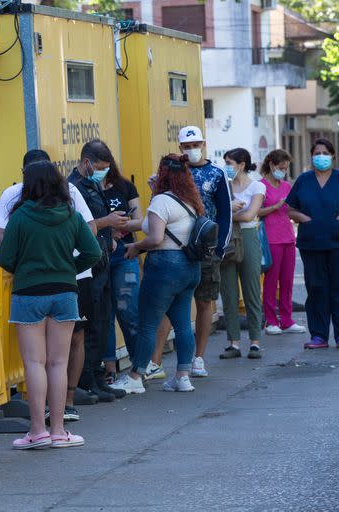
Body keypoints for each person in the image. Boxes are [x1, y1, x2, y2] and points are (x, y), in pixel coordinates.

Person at [0, 161, 101, 449]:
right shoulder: (70, 214)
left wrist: (26, 268)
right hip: (65, 292)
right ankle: (58, 431)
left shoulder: (19, 217)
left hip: (28, 293)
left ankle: (37, 431)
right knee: (58, 362)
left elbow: (6, 257)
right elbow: (93, 250)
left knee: (34, 362)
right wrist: (69, 267)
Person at [110, 154, 203, 394]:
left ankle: (135, 376)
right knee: (183, 324)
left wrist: (136, 247)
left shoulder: (162, 201)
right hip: (189, 268)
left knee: (147, 325)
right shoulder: (190, 200)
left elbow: (155, 237)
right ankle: (183, 376)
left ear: (163, 175)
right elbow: (149, 224)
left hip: (164, 268)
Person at [149, 126, 232, 378]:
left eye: (196, 144)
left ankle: (198, 358)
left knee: (204, 302)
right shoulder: (172, 172)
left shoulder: (217, 173)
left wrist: (219, 248)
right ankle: (154, 362)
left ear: (203, 143)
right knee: (167, 304)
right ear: (180, 147)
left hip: (205, 248)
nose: (192, 149)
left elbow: (226, 213)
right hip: (175, 249)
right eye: (187, 146)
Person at [68, 140, 130, 403]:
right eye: (101, 167)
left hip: (103, 259)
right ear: (86, 163)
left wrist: (111, 233)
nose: (104, 172)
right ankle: (86, 382)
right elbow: (81, 225)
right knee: (90, 326)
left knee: (103, 322)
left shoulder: (92, 184)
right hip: (87, 266)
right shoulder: (73, 188)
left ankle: (97, 378)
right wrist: (107, 222)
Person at [286, 138, 339, 349]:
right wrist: (302, 217)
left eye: (325, 153)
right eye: (317, 153)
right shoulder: (304, 180)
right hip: (311, 244)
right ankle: (319, 335)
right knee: (317, 288)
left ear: (333, 155)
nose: (321, 157)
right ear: (311, 156)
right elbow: (290, 209)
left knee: (338, 288)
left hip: (337, 243)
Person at [218, 148, 265, 359]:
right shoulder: (222, 186)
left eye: (230, 162)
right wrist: (229, 210)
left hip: (247, 237)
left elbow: (249, 216)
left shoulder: (257, 186)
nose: (227, 166)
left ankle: (255, 341)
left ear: (242, 164)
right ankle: (233, 343)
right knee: (228, 292)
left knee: (252, 290)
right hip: (227, 238)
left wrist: (225, 213)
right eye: (225, 162)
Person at [101, 156, 142, 382]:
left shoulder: (124, 186)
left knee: (128, 311)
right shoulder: (86, 189)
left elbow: (140, 220)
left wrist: (120, 224)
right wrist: (107, 226)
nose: (101, 171)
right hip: (100, 257)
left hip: (125, 255)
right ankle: (109, 369)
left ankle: (139, 366)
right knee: (104, 313)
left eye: (104, 166)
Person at [258, 150, 306, 336]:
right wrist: (276, 206)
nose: (283, 171)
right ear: (271, 165)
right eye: (280, 167)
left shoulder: (287, 186)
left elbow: (293, 209)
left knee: (287, 281)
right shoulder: (260, 186)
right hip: (271, 239)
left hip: (288, 237)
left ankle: (287, 320)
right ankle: (271, 320)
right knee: (271, 282)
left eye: (286, 168)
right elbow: (256, 212)